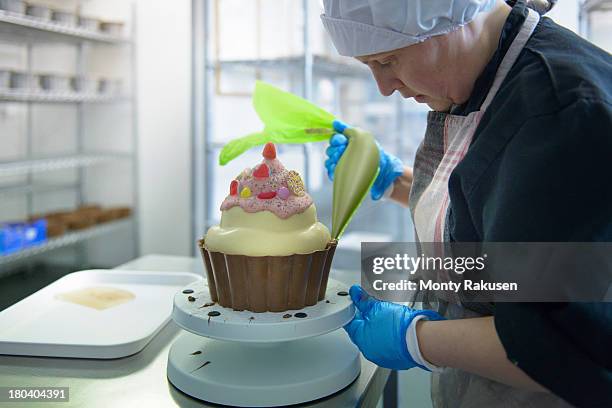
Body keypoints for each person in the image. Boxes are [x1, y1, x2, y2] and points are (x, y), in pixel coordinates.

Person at [320, 0, 612, 407]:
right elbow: (497, 217)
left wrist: (414, 338)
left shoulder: (561, 113)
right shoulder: (478, 79)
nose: (384, 87)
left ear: (447, 22)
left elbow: (562, 340)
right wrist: (393, 182)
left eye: (387, 60)